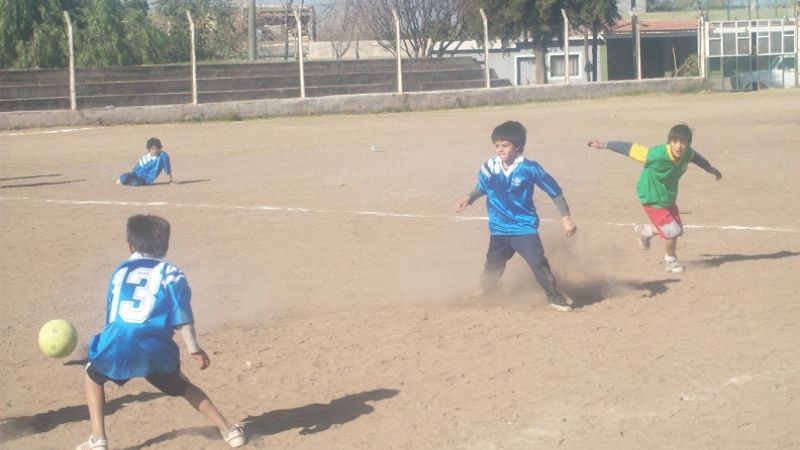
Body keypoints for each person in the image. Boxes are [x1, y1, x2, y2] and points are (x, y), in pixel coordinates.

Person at [76, 215, 246, 450]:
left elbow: (113, 315)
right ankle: (229, 432)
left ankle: (99, 440)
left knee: (93, 376)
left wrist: (103, 346)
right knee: (183, 387)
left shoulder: (119, 271)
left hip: (117, 342)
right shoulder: (171, 272)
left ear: (130, 245)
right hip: (154, 347)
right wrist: (194, 349)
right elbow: (181, 315)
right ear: (165, 245)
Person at [455, 120, 578, 312]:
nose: (500, 150)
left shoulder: (529, 168)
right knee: (493, 264)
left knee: (537, 262)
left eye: (505, 145)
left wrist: (566, 217)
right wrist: (469, 198)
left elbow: (555, 191)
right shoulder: (489, 166)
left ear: (518, 146)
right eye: (497, 145)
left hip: (524, 227)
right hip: (498, 228)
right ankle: (488, 288)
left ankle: (554, 297)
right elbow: (483, 187)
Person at [587, 123, 722, 273]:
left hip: (667, 196)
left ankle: (645, 231)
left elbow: (696, 157)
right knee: (672, 231)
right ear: (669, 142)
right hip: (650, 195)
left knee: (678, 230)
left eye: (682, 142)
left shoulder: (688, 153)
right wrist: (604, 145)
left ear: (688, 144)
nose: (678, 146)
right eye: (675, 141)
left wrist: (710, 169)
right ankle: (671, 261)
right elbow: (629, 149)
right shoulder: (656, 154)